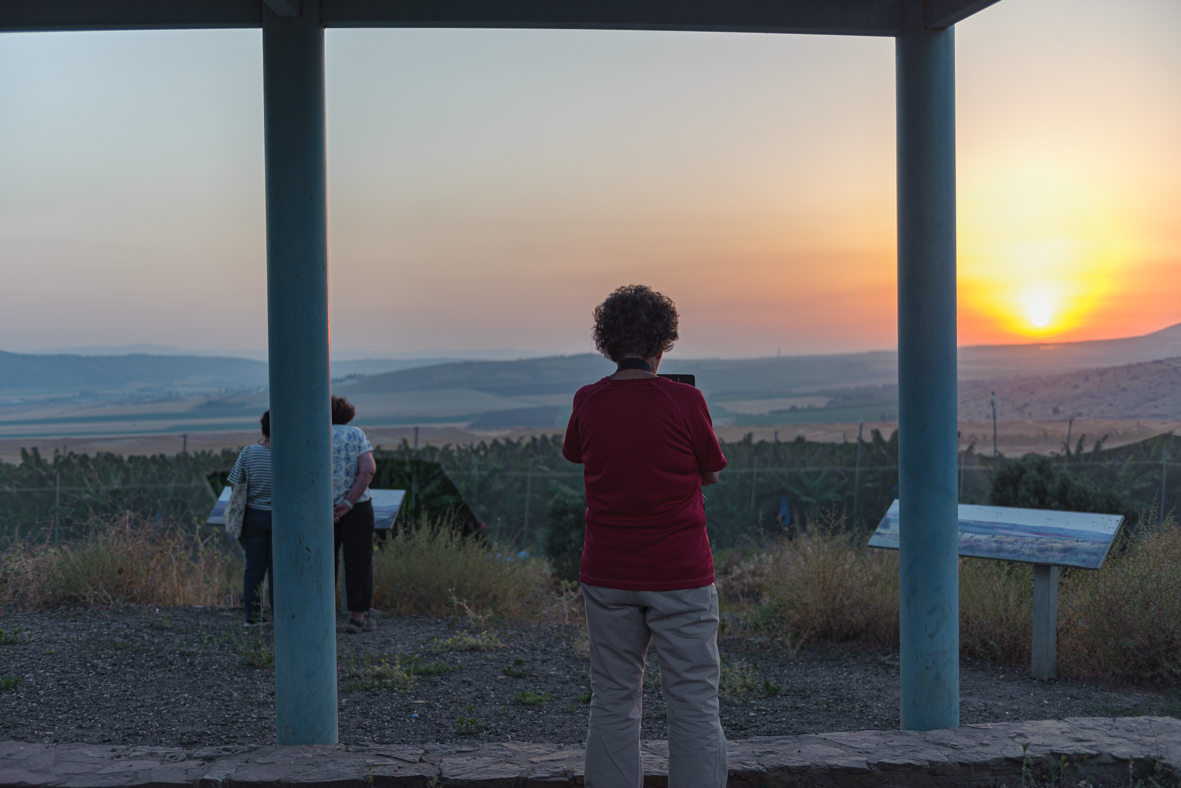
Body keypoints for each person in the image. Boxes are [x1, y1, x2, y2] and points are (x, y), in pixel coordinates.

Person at [562, 284, 728, 788]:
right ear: (664, 343)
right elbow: (711, 472)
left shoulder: (588, 401)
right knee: (694, 703)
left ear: (607, 344)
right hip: (681, 574)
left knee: (613, 699)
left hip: (608, 573)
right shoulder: (686, 400)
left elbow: (579, 456)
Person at [331, 394, 378, 633]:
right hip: (357, 507)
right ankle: (357, 618)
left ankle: (322, 617)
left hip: (322, 510)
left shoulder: (312, 435)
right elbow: (367, 471)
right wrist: (348, 503)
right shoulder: (356, 434)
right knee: (358, 560)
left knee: (323, 562)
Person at [228, 411, 274, 627]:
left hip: (252, 516)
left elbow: (235, 486)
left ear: (263, 430)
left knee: (254, 567)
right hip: (281, 518)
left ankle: (253, 617)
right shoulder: (290, 454)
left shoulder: (248, 453)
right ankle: (281, 615)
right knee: (279, 569)